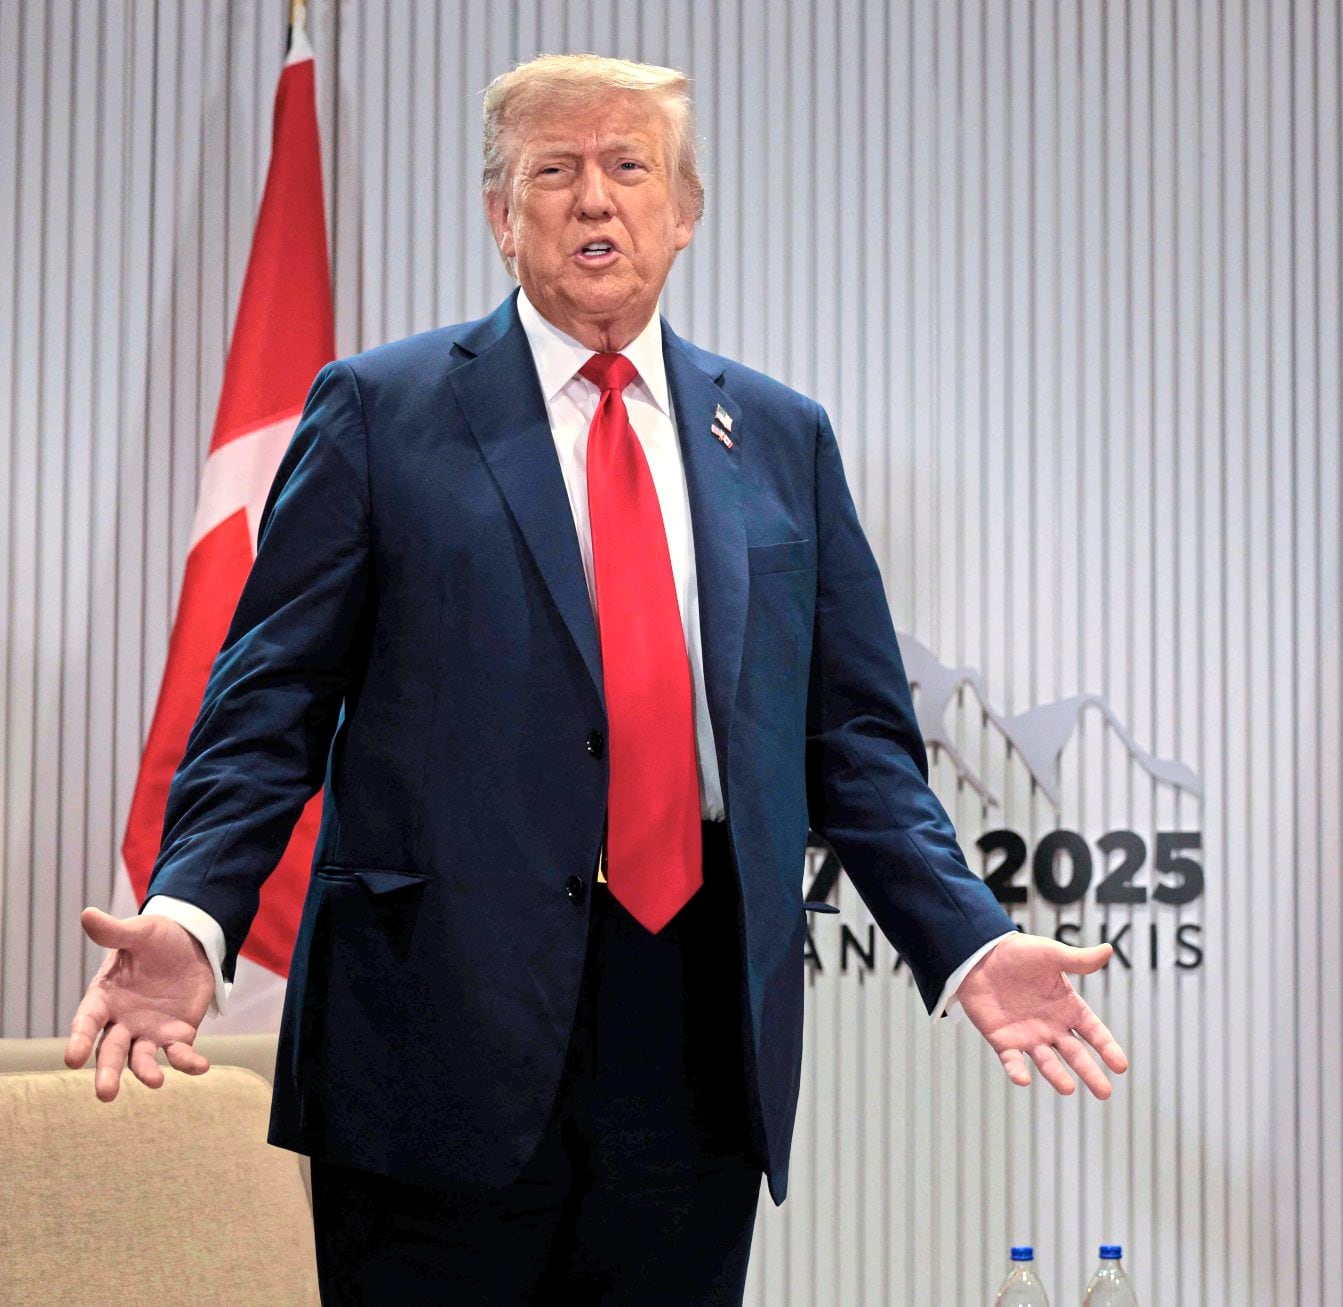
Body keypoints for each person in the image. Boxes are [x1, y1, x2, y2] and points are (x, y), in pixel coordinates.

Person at [64, 54, 1126, 1305]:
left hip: (691, 1034)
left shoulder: (781, 437)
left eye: (629, 167)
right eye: (553, 171)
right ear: (498, 215)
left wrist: (964, 937)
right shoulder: (377, 410)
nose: (593, 200)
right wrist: (195, 913)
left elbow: (855, 744)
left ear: (684, 210)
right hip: (433, 1029)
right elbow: (263, 712)